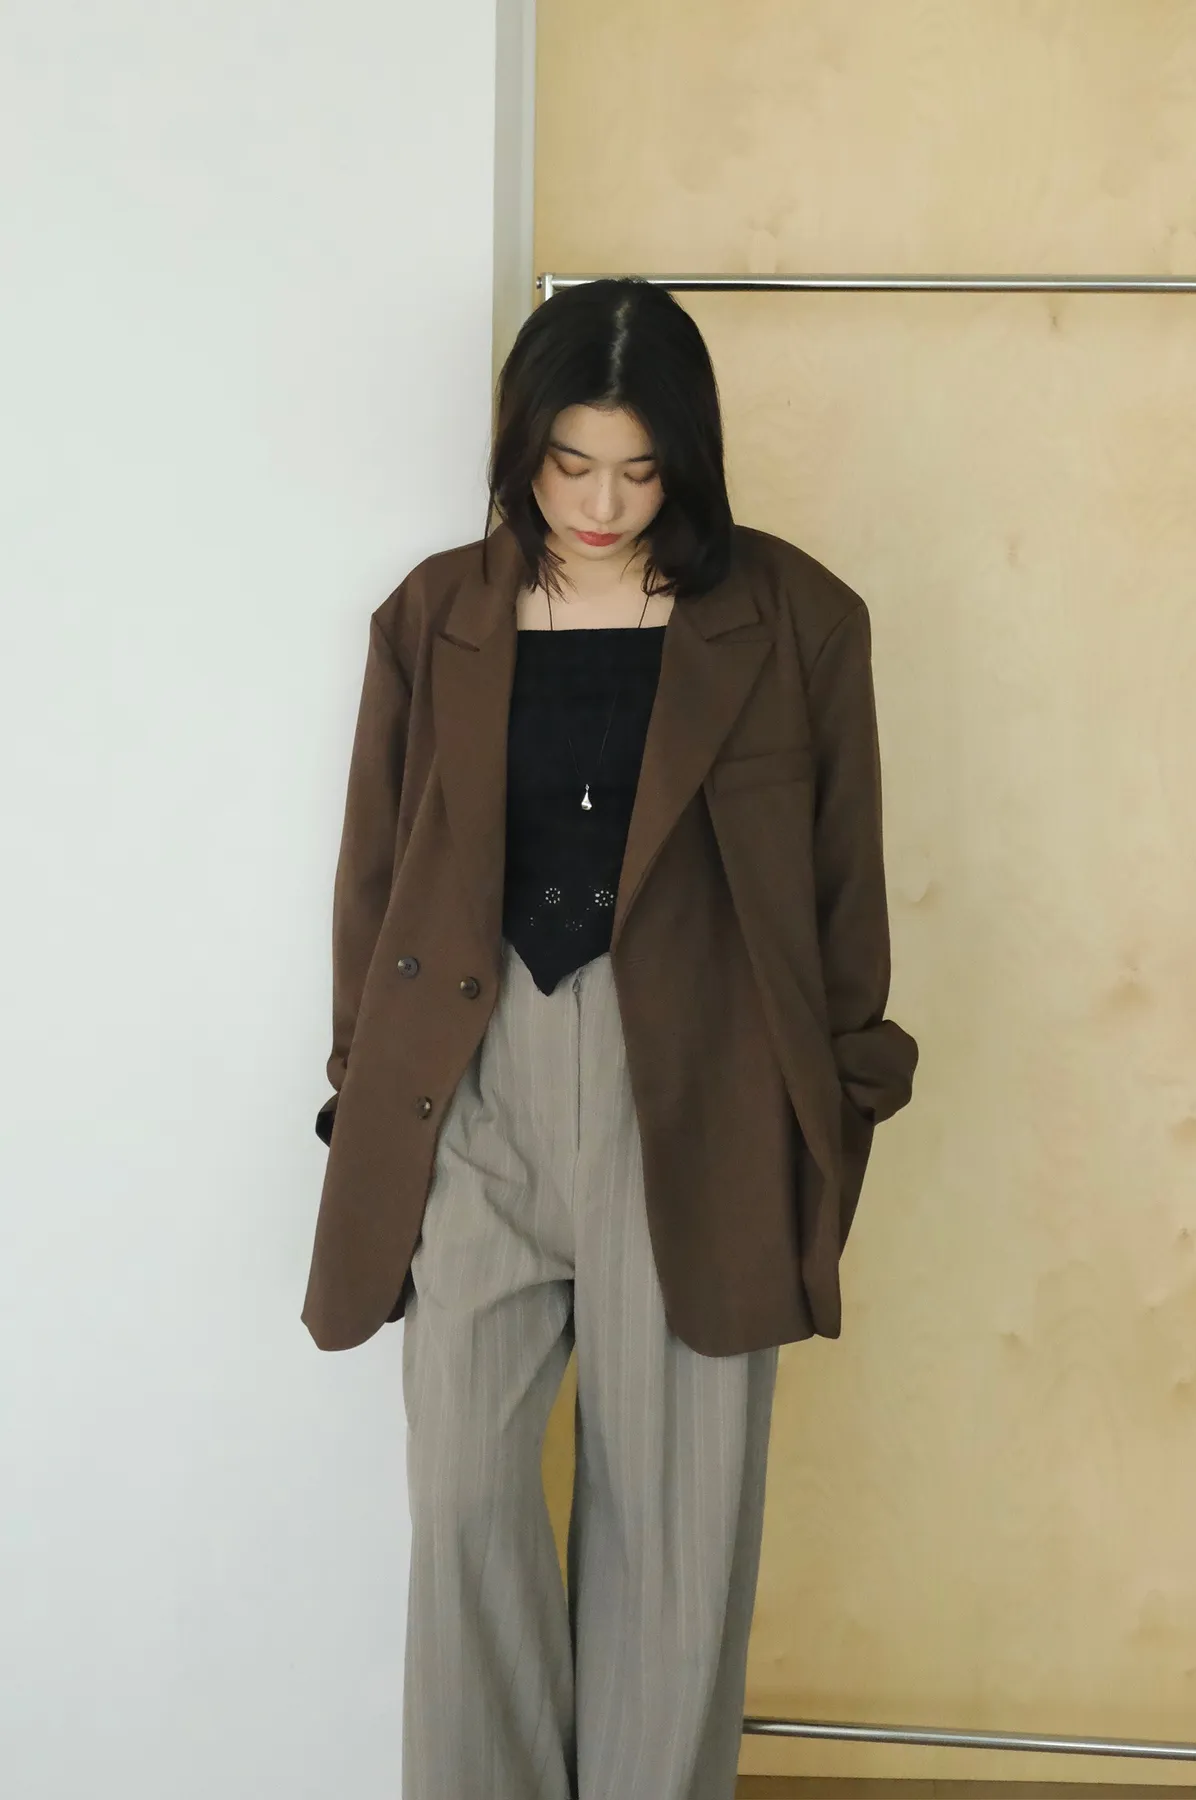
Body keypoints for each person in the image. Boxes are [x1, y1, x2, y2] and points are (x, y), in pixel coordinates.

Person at [303, 277, 919, 1800]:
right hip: (476, 1102)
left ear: (688, 462)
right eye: (568, 464)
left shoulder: (796, 620)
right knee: (462, 1504)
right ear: (522, 446)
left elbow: (842, 890)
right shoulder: (434, 616)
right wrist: (360, 1088)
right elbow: (376, 874)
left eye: (638, 471)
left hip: (698, 1111)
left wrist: (832, 1113)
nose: (598, 504)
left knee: (674, 1536)